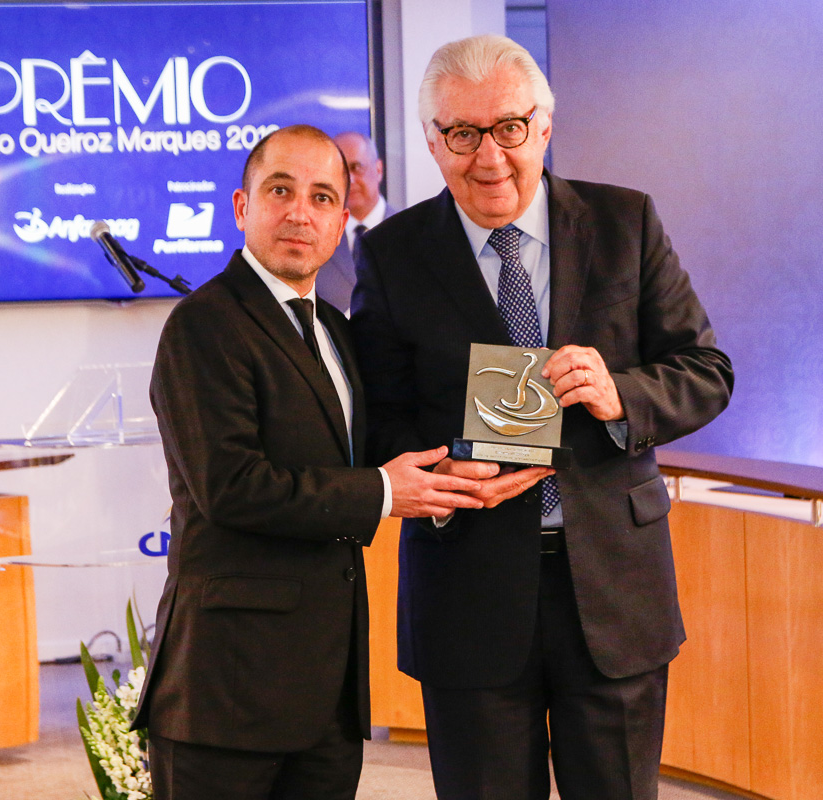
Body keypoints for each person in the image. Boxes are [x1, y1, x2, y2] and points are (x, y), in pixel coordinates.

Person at [350, 35, 734, 800]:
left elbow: (706, 372)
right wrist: (441, 474)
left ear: (545, 127)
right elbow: (379, 417)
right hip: (467, 589)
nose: (489, 156)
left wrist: (620, 392)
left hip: (614, 590)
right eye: (463, 134)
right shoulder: (392, 254)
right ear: (432, 141)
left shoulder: (625, 221)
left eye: (509, 128)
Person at [132, 124, 483, 800]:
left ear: (342, 219)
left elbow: (362, 453)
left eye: (323, 197)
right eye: (280, 191)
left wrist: (449, 472)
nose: (301, 212)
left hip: (325, 696)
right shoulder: (204, 324)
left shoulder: (336, 331)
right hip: (226, 694)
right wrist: (385, 493)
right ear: (242, 207)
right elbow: (230, 487)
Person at [314, 131, 398, 314]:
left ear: (378, 169)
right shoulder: (315, 238)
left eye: (356, 167)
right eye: (341, 172)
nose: (350, 180)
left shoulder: (412, 232)